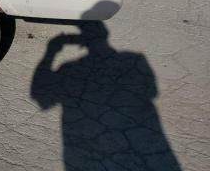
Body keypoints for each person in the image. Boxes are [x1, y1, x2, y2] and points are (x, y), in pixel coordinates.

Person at [31, 22, 181, 171]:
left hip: (83, 151)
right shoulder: (134, 59)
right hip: (143, 147)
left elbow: (42, 99)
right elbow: (152, 91)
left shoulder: (69, 68)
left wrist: (51, 52)